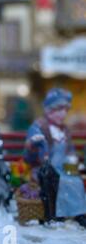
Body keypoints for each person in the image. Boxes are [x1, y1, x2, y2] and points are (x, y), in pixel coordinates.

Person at [24, 88, 86, 227]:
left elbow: (70, 150)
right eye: (58, 109)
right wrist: (34, 144)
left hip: (63, 168)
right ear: (49, 110)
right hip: (44, 169)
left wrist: (72, 159)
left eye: (65, 110)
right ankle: (57, 214)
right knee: (60, 181)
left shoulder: (64, 130)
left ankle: (79, 213)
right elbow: (29, 155)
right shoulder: (39, 127)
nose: (62, 113)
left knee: (76, 181)